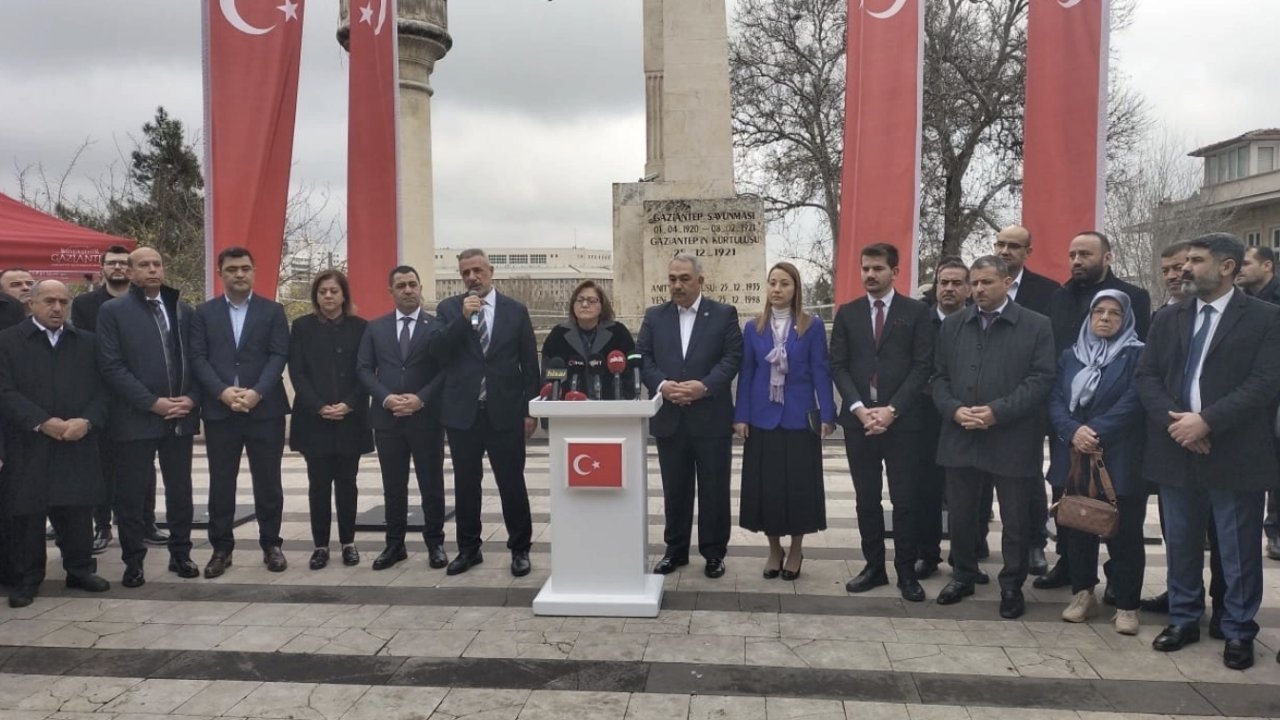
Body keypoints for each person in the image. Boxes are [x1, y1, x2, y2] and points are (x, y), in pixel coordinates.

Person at [1136, 233, 1280, 670]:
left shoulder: (1265, 318)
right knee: (1180, 542)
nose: (1184, 268)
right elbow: (1147, 377)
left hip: (1234, 451)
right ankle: (1183, 619)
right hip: (1176, 449)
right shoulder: (1169, 317)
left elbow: (1264, 382)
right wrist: (1178, 424)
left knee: (1238, 550)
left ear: (1227, 267)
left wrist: (1207, 421)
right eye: (1186, 261)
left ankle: (1238, 630)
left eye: (1196, 260)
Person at [932, 255, 1055, 619]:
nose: (979, 289)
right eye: (975, 283)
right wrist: (955, 409)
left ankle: (1012, 585)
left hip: (1012, 437)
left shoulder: (1036, 325)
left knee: (1015, 517)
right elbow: (938, 377)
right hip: (961, 433)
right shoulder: (954, 325)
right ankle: (963, 574)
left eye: (987, 282)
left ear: (1006, 283)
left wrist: (997, 412)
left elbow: (1041, 379)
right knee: (961, 514)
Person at [1037, 231, 1152, 592]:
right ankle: (1072, 571)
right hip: (1071, 431)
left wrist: (1097, 429)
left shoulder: (1134, 297)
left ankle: (1121, 583)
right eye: (1072, 254)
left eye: (1085, 254)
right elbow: (1056, 377)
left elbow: (1138, 384)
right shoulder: (1059, 297)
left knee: (1122, 516)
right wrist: (1071, 429)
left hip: (1116, 439)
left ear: (1107, 257)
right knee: (1072, 509)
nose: (1077, 260)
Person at [830, 245, 934, 601]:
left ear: (895, 271)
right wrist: (859, 408)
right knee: (867, 499)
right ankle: (874, 566)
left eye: (877, 268)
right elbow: (838, 365)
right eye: (865, 268)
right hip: (859, 422)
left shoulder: (916, 312)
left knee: (905, 500)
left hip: (903, 423)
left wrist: (893, 410)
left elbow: (922, 366)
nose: (870, 275)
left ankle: (906, 572)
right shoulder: (848, 313)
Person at [96, 247, 202, 587]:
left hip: (180, 417)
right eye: (144, 264)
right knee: (130, 494)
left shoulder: (182, 309)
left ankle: (181, 554)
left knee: (180, 491)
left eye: (157, 263)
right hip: (135, 418)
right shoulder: (113, 311)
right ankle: (133, 561)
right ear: (130, 271)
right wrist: (152, 403)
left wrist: (192, 398)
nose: (152, 269)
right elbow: (111, 366)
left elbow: (199, 359)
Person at [0, 280, 111, 607]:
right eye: (49, 301)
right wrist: (41, 421)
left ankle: (79, 570)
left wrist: (87, 421)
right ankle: (28, 578)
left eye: (63, 301)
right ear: (31, 304)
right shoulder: (7, 341)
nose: (57, 308)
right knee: (28, 513)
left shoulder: (87, 342)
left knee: (77, 510)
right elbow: (5, 391)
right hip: (28, 442)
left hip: (76, 440)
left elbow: (104, 390)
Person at [430, 249, 538, 577]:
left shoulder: (515, 311)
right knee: (466, 485)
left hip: (505, 412)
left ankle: (520, 548)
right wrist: (463, 319)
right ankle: (468, 549)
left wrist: (530, 410)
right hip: (463, 413)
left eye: (477, 270)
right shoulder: (449, 309)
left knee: (511, 483)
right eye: (466, 273)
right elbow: (438, 351)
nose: (472, 277)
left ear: (491, 271)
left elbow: (529, 363)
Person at [1046, 290, 1147, 635]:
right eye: (1098, 311)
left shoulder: (1137, 355)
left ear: (1126, 319)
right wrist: (1073, 431)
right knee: (1078, 526)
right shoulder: (1071, 355)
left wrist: (1095, 431)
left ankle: (1127, 605)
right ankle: (1083, 594)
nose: (1105, 318)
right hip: (1075, 455)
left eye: (1114, 313)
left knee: (1125, 533)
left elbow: (1135, 400)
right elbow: (1055, 398)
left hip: (1118, 456)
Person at [637, 254, 743, 579]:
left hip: (710, 417)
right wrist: (662, 385)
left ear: (700, 281)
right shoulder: (655, 317)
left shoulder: (723, 314)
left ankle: (714, 553)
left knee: (714, 489)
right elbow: (643, 357)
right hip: (670, 418)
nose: (677, 285)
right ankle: (675, 550)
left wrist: (704, 387)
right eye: (672, 279)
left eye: (684, 278)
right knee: (675, 490)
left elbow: (733, 357)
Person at [190, 246, 291, 577]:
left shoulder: (273, 311)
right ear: (221, 273)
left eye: (245, 268)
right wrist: (221, 392)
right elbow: (198, 357)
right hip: (221, 411)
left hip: (265, 409)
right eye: (232, 269)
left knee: (268, 481)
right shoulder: (203, 313)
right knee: (221, 482)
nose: (239, 274)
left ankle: (271, 544)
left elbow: (278, 355)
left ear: (254, 271)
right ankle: (221, 548)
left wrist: (257, 392)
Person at [734, 262, 835, 581]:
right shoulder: (754, 327)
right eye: (772, 283)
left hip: (798, 418)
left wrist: (828, 413)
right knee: (768, 488)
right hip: (762, 418)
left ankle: (796, 549)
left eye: (784, 284)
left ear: (795, 289)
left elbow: (820, 370)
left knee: (799, 488)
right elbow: (747, 372)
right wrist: (741, 415)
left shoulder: (811, 326)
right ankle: (774, 548)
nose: (777, 289)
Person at [74, 245, 168, 555]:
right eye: (111, 263)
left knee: (144, 466)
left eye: (121, 263)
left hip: (139, 397)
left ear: (129, 268)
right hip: (103, 395)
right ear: (102, 269)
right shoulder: (86, 304)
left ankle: (146, 522)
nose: (117, 267)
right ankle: (102, 525)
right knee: (104, 463)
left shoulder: (146, 303)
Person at [356, 266, 449, 572]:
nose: (408, 290)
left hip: (426, 419)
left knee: (431, 485)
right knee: (393, 486)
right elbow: (364, 369)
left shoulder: (437, 327)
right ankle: (394, 544)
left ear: (420, 287)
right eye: (401, 286)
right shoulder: (375, 328)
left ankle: (435, 543)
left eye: (412, 284)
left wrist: (421, 399)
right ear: (391, 292)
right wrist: (386, 398)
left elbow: (445, 369)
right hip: (388, 419)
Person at [292, 270, 374, 570]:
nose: (328, 296)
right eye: (322, 291)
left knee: (347, 483)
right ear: (316, 296)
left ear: (344, 295)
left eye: (334, 291)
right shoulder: (302, 327)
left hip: (350, 419)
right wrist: (318, 406)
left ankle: (348, 542)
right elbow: (297, 372)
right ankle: (321, 545)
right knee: (318, 485)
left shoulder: (361, 327)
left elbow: (366, 371)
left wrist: (349, 404)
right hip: (314, 420)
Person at [993, 225, 1059, 576]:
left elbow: (1051, 349)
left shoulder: (1047, 292)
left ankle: (1035, 543)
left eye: (1013, 246)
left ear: (1027, 252)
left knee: (1028, 477)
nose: (1005, 251)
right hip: (983, 401)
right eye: (1000, 244)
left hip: (1027, 404)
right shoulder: (982, 283)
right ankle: (973, 543)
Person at [916, 258, 971, 580]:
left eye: (956, 283)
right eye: (943, 282)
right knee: (927, 488)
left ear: (968, 288)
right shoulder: (919, 319)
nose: (949, 289)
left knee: (968, 492)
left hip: (966, 415)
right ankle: (927, 553)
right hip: (925, 415)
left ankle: (966, 558)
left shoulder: (978, 321)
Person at [1237, 246, 1280, 562]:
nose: (1239, 268)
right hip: (1250, 398)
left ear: (1268, 265)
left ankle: (1275, 530)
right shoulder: (1238, 302)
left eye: (1246, 263)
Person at [540, 280, 636, 399]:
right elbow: (548, 375)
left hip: (611, 405)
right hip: (568, 406)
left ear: (602, 306)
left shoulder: (618, 333)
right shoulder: (558, 334)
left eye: (592, 300)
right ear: (573, 305)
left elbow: (632, 372)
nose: (585, 304)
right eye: (580, 300)